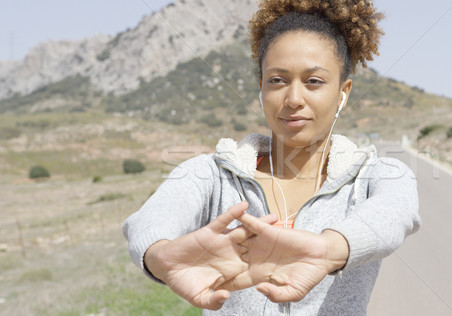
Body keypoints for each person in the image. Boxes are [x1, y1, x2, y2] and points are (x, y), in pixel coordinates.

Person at [122, 0, 421, 315]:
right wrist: (160, 257)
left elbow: (394, 215)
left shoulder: (376, 176)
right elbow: (150, 221)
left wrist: (328, 251)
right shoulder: (211, 175)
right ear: (261, 88)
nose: (293, 99)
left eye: (313, 82)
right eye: (277, 80)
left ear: (343, 92)